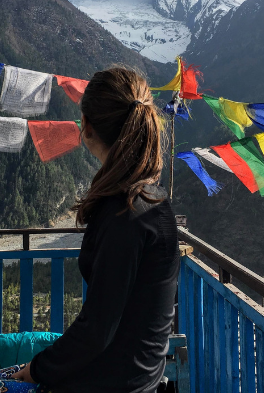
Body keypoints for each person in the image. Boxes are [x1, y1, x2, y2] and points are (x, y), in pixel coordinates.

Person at [11, 67, 180, 392]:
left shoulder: (125, 215)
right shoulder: (152, 200)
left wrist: (37, 369)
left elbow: (98, 330)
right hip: (141, 377)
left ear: (85, 126)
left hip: (111, 383)